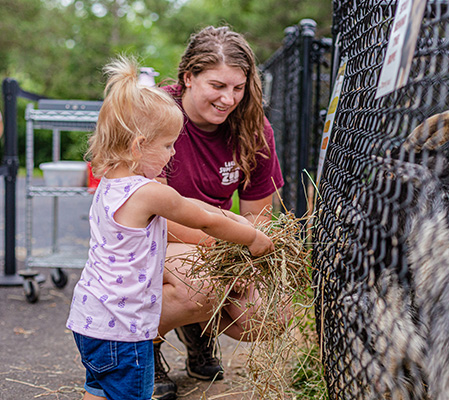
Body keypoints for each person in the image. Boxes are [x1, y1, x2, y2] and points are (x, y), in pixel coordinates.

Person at [66, 55, 275, 400]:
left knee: (98, 389)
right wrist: (251, 237)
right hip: (124, 329)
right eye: (167, 145)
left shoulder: (110, 184)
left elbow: (195, 206)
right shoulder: (148, 193)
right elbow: (203, 218)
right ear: (138, 147)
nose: (173, 152)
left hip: (91, 320)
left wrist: (235, 218)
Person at [152, 26, 285, 399]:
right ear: (188, 77)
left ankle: (197, 329)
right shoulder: (157, 115)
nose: (229, 99)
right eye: (217, 86)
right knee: (201, 286)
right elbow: (153, 209)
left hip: (218, 241)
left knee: (268, 316)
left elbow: (260, 213)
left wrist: (242, 259)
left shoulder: (254, 128)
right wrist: (226, 248)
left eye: (238, 88)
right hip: (156, 237)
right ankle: (141, 348)